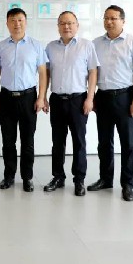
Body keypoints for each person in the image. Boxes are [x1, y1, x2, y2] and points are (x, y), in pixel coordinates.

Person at [89, 5, 133, 201]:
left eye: (113, 18)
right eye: (106, 18)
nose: (109, 21)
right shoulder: (96, 43)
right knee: (104, 143)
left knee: (128, 144)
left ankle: (128, 185)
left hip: (126, 97)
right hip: (103, 97)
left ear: (123, 21)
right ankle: (105, 179)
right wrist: (92, 96)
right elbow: (92, 72)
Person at [0, 8, 48, 192]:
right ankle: (9, 176)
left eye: (20, 20)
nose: (17, 24)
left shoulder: (36, 46)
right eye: (13, 20)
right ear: (7, 23)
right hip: (6, 97)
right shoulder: (0, 47)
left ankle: (27, 177)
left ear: (26, 22)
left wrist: (41, 98)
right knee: (8, 141)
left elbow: (42, 73)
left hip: (28, 98)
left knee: (27, 141)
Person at [43, 11, 98, 196]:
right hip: (57, 100)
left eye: (70, 23)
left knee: (79, 141)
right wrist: (43, 96)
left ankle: (79, 179)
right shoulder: (50, 47)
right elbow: (46, 74)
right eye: (63, 23)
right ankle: (58, 177)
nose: (66, 26)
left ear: (77, 25)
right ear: (58, 26)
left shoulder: (86, 46)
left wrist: (90, 98)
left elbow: (93, 72)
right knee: (57, 141)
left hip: (78, 100)